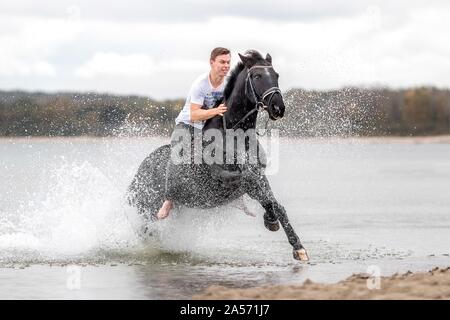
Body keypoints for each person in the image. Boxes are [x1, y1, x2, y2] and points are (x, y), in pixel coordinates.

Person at [157, 47, 231, 219]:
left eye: (228, 62)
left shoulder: (228, 84)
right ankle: (168, 201)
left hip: (208, 128)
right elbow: (194, 114)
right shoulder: (201, 84)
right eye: (222, 62)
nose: (226, 66)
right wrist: (215, 111)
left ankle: (238, 195)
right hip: (187, 125)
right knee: (177, 156)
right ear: (212, 62)